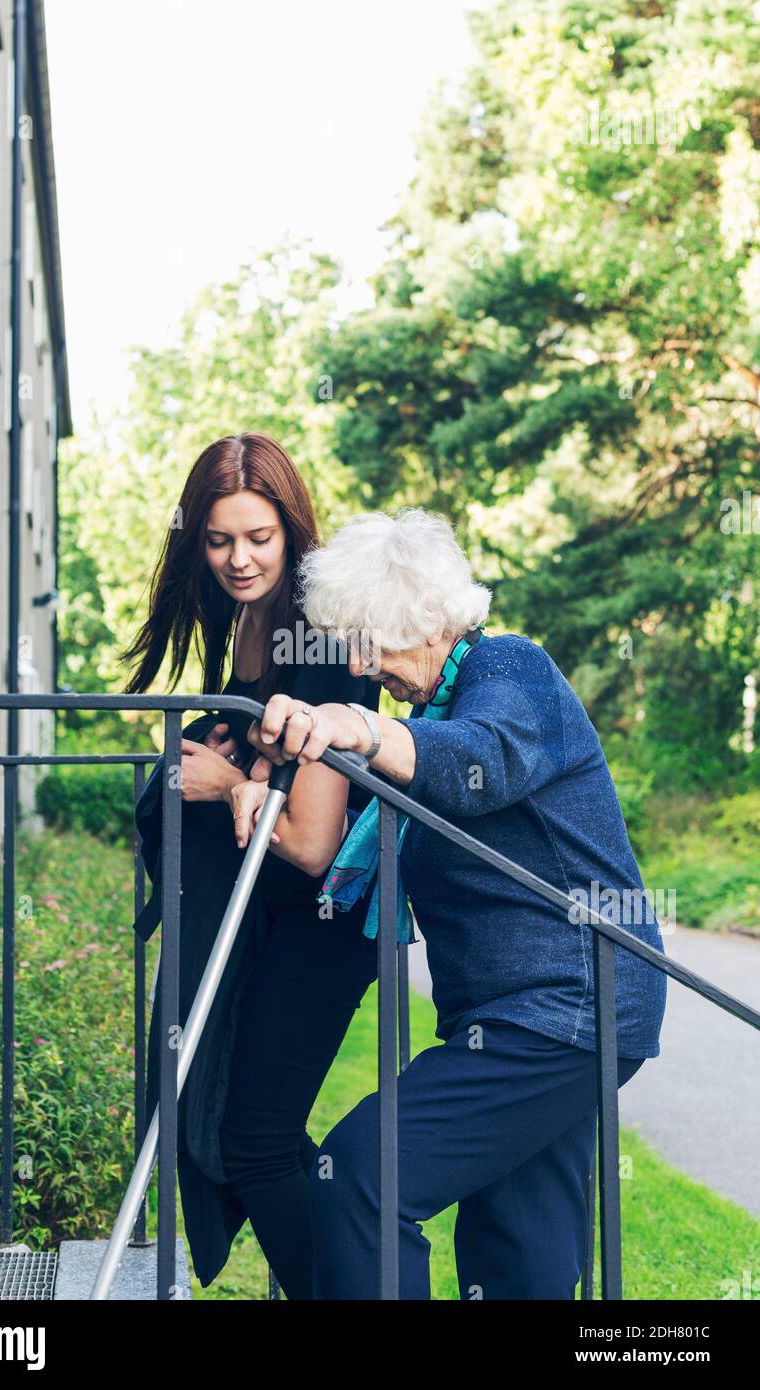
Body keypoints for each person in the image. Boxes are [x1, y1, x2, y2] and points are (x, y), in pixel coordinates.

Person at [239, 506, 668, 1300]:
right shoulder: (435, 711)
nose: (365, 668)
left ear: (422, 620)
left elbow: (483, 761)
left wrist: (358, 726)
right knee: (522, 1248)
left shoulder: (510, 672)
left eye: (370, 644)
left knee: (362, 1175)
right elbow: (346, 838)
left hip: (568, 1008)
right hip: (529, 1016)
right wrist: (266, 776)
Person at [120, 433, 380, 1299]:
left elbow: (310, 842)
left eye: (259, 538)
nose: (239, 558)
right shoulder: (244, 624)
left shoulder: (327, 634)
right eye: (221, 539)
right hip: (270, 917)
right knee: (244, 1128)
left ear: (292, 531)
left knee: (256, 1137)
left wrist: (226, 778)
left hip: (326, 919)